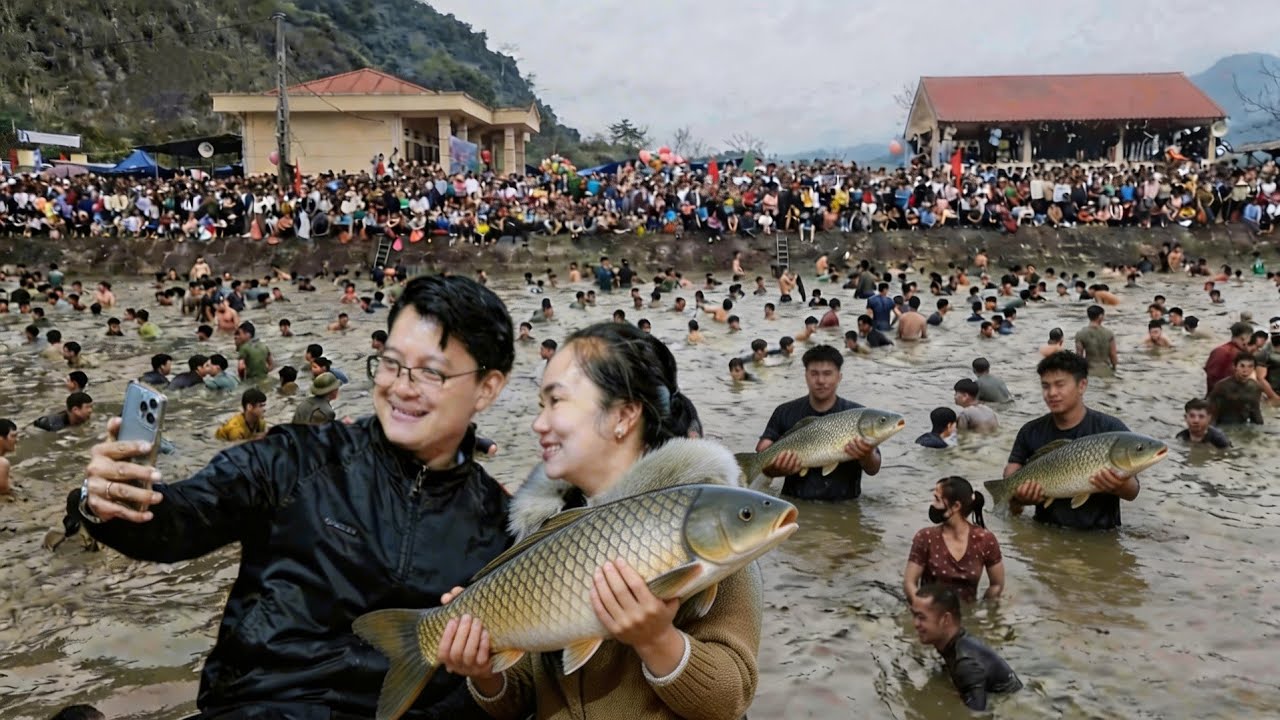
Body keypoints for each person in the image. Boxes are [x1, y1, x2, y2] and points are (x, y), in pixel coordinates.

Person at [66, 274, 516, 718]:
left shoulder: (501, 527)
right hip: (261, 706)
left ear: (487, 387)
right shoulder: (298, 459)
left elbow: (503, 689)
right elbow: (183, 519)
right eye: (391, 363)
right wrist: (111, 501)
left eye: (430, 373)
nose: (400, 387)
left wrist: (481, 676)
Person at [440, 321, 756, 720]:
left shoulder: (708, 527)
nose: (539, 424)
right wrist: (484, 673)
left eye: (557, 402)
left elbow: (731, 700)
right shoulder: (544, 530)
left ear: (623, 415)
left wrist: (658, 640)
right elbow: (520, 697)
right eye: (541, 405)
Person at [1003, 351, 1138, 530]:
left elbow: (1133, 491)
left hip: (1101, 534)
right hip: (1046, 532)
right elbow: (1012, 471)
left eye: (1060, 385)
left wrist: (1117, 486)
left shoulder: (1110, 428)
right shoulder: (1030, 431)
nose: (1052, 393)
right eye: (1045, 386)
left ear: (1082, 385)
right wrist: (1019, 497)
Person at [755, 345, 882, 500]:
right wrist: (774, 469)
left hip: (845, 505)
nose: (821, 381)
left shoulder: (858, 415)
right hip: (795, 503)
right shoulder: (784, 411)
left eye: (827, 374)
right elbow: (762, 451)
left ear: (839, 377)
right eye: (814, 374)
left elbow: (874, 468)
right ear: (806, 376)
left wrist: (866, 455)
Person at [911, 585, 1022, 712]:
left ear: (945, 619)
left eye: (921, 617)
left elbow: (977, 715)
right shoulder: (956, 643)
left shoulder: (966, 664)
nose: (915, 624)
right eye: (914, 615)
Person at [904, 477, 1004, 603]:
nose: (932, 504)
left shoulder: (985, 540)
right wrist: (923, 607)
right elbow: (909, 583)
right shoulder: (926, 537)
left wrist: (984, 613)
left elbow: (996, 585)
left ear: (956, 506)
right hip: (930, 613)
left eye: (937, 499)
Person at [1207, 354, 1265, 426]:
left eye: (1250, 366)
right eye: (1242, 366)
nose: (1245, 370)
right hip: (1223, 425)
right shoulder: (1222, 386)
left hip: (1243, 425)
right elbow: (1211, 413)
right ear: (1235, 367)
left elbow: (1256, 413)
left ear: (1254, 369)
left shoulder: (1256, 387)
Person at [1203, 322, 1254, 394]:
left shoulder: (1218, 350)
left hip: (1212, 396)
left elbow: (1208, 371)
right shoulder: (1241, 356)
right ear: (1244, 337)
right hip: (1231, 398)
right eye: (1250, 338)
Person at [1074, 305, 1118, 374]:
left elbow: (1079, 356)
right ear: (1100, 316)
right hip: (1106, 370)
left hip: (1090, 370)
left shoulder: (1080, 334)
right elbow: (1113, 355)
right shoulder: (1109, 333)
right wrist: (1114, 368)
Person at [0, 418, 15, 494]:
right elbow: (4, 489)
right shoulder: (2, 463)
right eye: (13, 436)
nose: (16, 440)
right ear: (1, 438)